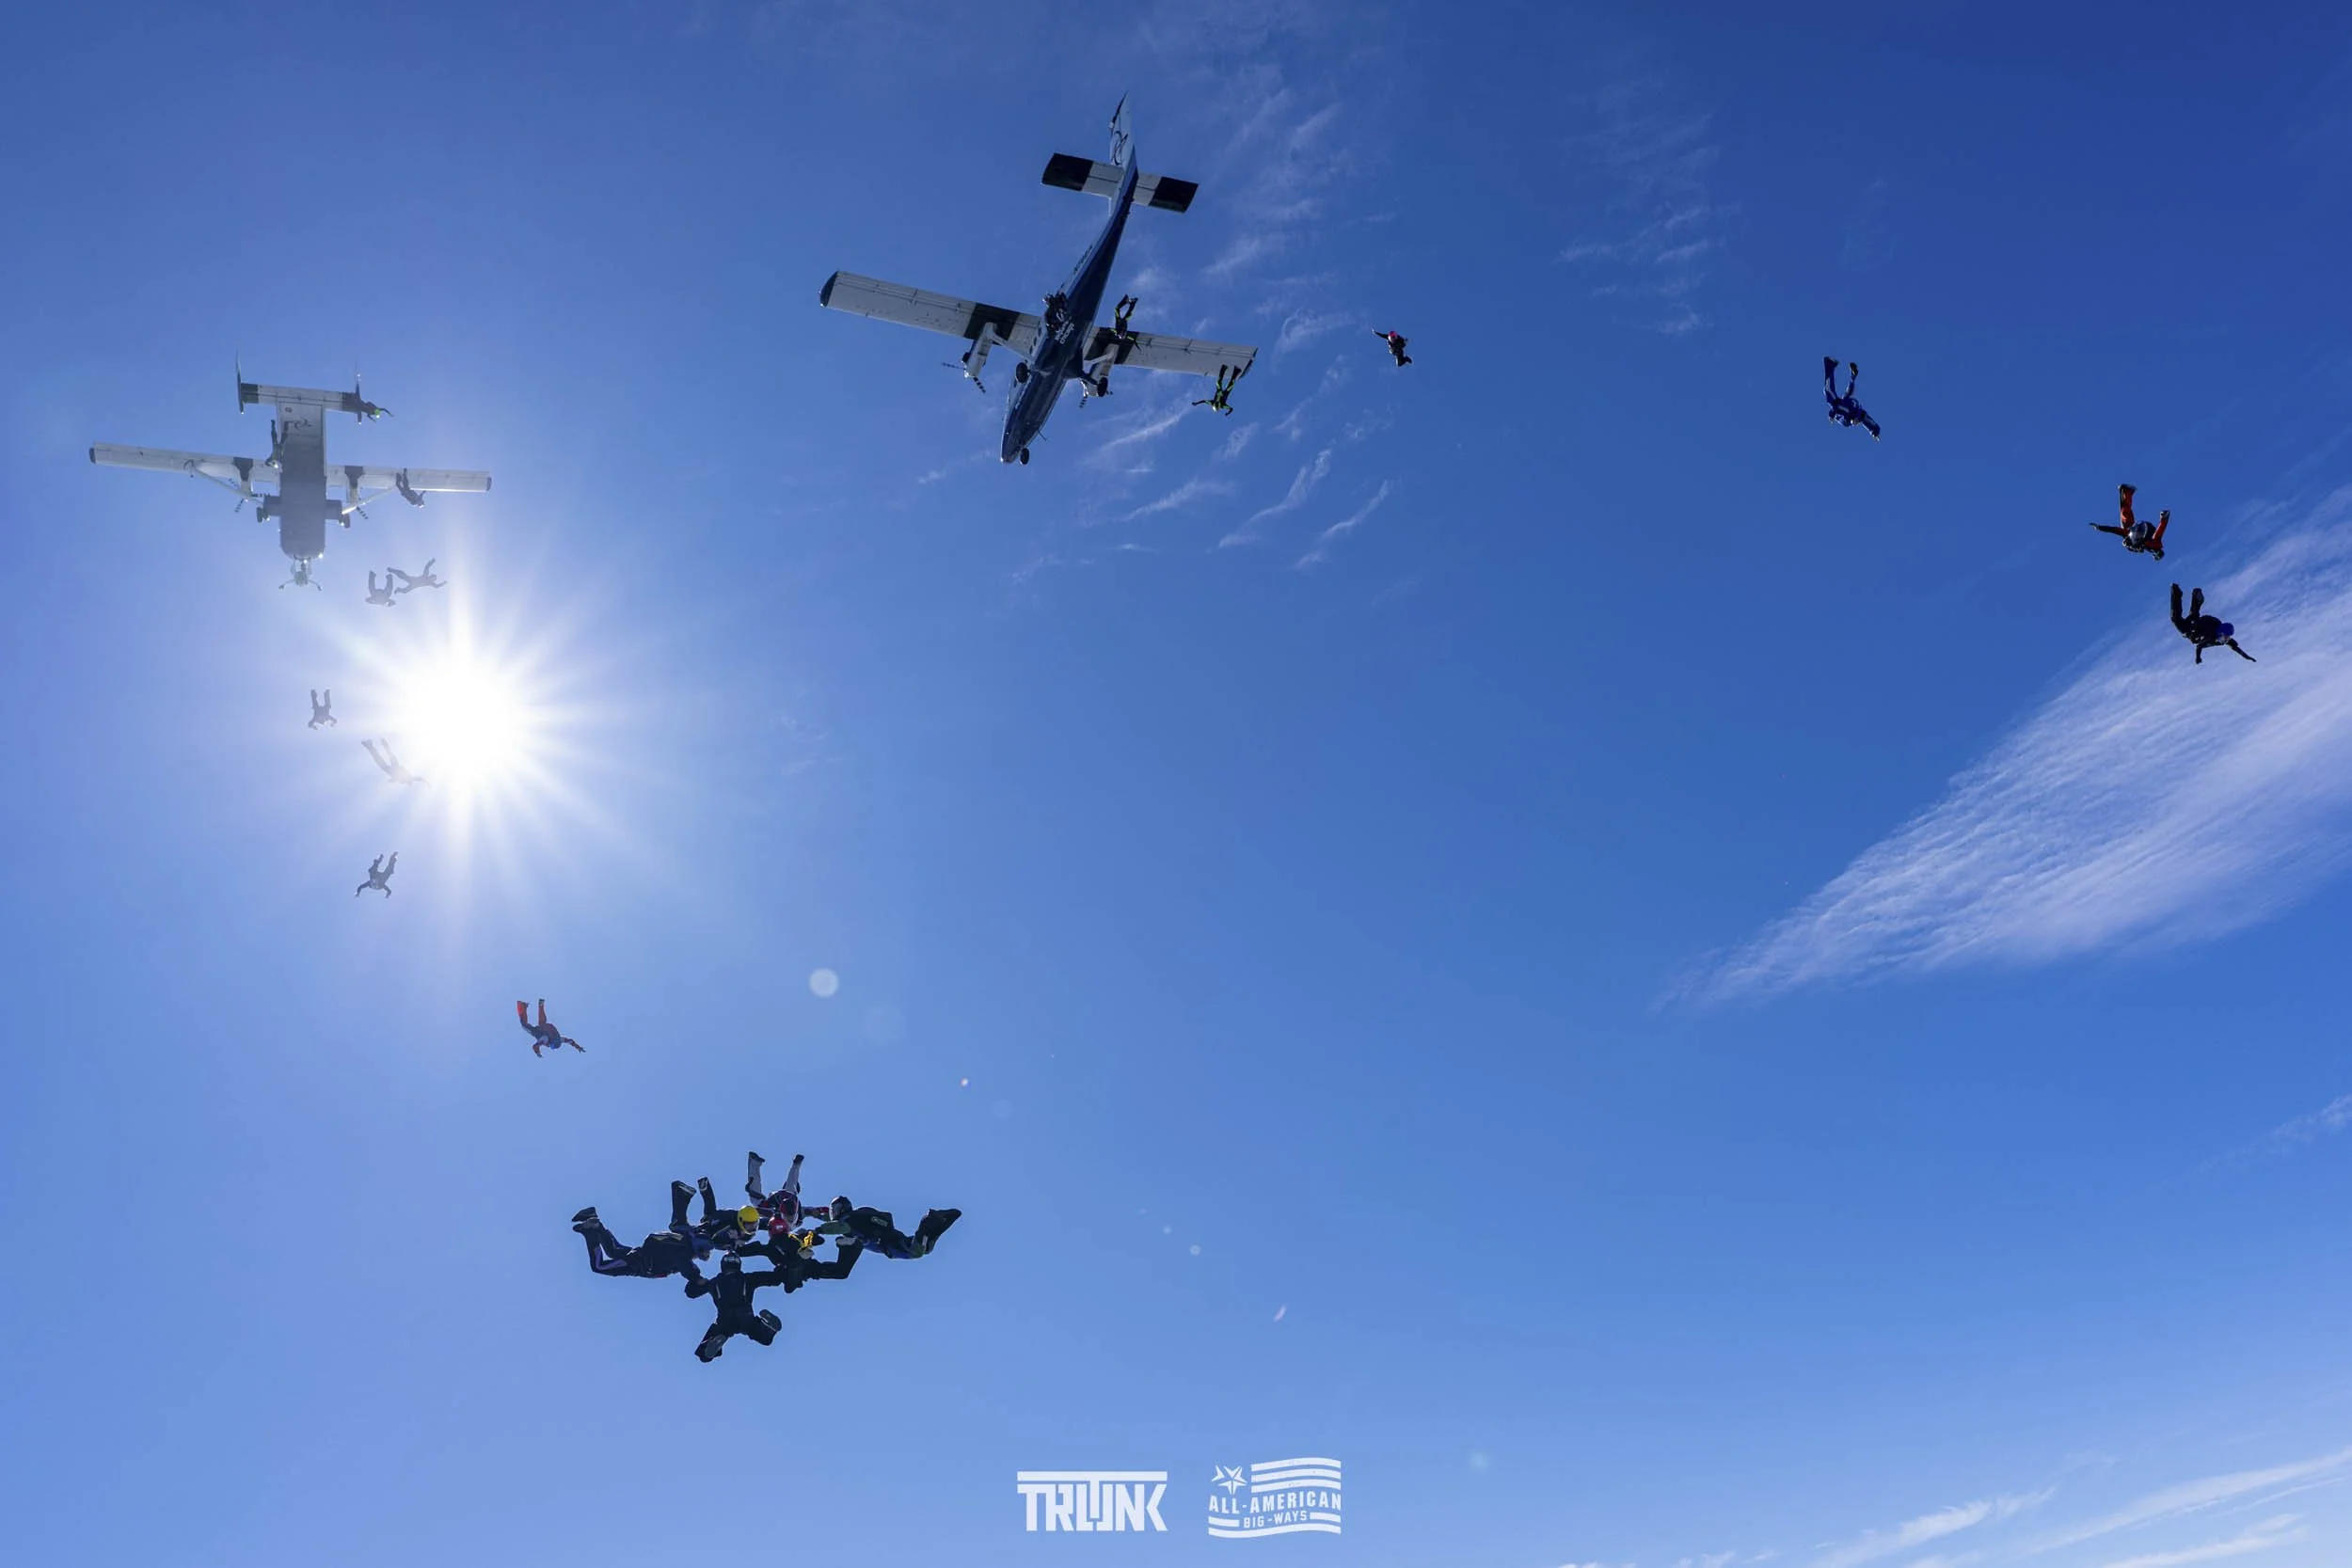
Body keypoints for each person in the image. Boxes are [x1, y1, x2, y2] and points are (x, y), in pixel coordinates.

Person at [572, 1181, 711, 1280]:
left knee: (613, 1250)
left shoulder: (684, 1238)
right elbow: (690, 1271)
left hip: (640, 1255)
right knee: (599, 1267)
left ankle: (594, 1221)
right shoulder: (684, 1254)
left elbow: (680, 1222)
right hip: (638, 1263)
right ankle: (589, 1232)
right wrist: (699, 1280)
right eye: (703, 1253)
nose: (702, 1256)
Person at [683, 1256, 792, 1362]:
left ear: (722, 1265)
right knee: (765, 1339)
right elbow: (774, 1279)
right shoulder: (748, 1278)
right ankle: (771, 1328)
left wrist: (697, 1280)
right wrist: (782, 1267)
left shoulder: (713, 1283)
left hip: (725, 1318)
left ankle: (714, 1342)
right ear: (738, 1265)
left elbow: (691, 1293)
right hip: (746, 1316)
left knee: (705, 1355)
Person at [813, 1196, 961, 1260]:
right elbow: (830, 1219)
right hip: (892, 1237)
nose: (834, 1213)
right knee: (925, 1249)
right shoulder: (855, 1216)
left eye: (835, 1209)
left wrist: (818, 1230)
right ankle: (943, 1222)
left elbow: (835, 1227)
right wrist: (810, 1213)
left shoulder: (848, 1222)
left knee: (916, 1252)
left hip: (889, 1244)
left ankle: (927, 1221)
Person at [2170, 583, 2256, 664]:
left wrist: (2247, 657)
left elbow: (2235, 648)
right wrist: (2198, 657)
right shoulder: (2209, 636)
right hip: (2193, 627)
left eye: (2227, 638)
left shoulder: (2224, 639)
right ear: (2220, 633)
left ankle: (2182, 595)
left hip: (2192, 629)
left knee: (2183, 617)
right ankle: (2190, 597)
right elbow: (2199, 647)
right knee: (2186, 617)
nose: (2225, 640)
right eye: (2225, 637)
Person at [2090, 483, 2169, 560]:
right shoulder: (2149, 544)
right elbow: (2159, 533)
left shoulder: (2127, 533)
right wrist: (2164, 519)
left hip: (2139, 530)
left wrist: (2100, 527)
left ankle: (2128, 491)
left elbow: (2113, 530)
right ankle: (2128, 491)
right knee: (2154, 542)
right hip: (2146, 533)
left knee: (2124, 515)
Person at [747, 1151, 806, 1232]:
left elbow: (759, 1210)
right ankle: (754, 1163)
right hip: (775, 1202)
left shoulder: (793, 1213)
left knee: (791, 1188)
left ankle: (754, 1163)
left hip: (775, 1204)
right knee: (755, 1200)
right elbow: (811, 1210)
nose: (789, 1219)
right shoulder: (796, 1211)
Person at [1823, 356, 1881, 439]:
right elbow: (1836, 407)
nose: (1857, 423)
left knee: (1845, 395)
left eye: (1857, 422)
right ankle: (1830, 364)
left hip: (1850, 405)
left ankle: (1852, 376)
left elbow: (1870, 422)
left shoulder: (1860, 415)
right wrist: (1831, 416)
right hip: (1847, 406)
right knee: (1828, 391)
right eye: (1857, 422)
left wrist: (1875, 433)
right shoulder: (1848, 412)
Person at [516, 999, 582, 1055]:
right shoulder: (545, 1040)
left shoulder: (559, 1039)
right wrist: (538, 1053)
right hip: (538, 1031)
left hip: (544, 1027)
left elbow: (570, 1041)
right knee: (524, 1025)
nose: (549, 1047)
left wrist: (577, 1047)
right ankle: (522, 1005)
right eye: (552, 1046)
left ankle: (541, 1004)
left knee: (542, 1023)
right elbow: (535, 1046)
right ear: (552, 1043)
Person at [361, 738, 425, 786]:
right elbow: (419, 778)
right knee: (390, 755)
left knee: (381, 762)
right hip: (396, 768)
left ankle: (370, 747)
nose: (407, 781)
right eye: (409, 782)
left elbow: (396, 779)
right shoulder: (410, 777)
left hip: (392, 771)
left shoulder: (403, 781)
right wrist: (426, 782)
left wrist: (392, 780)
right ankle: (383, 743)